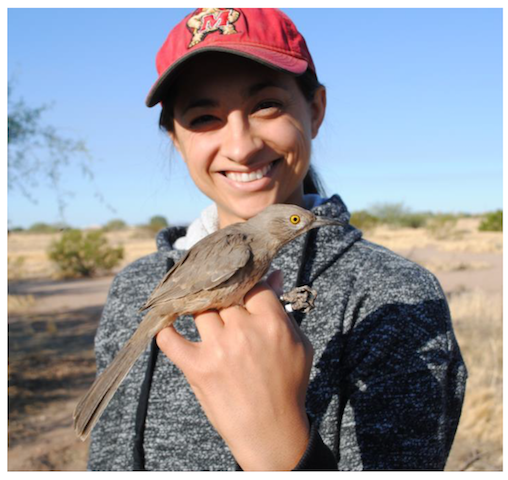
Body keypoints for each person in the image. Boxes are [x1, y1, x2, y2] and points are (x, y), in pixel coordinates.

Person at [87, 8, 467, 471]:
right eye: (205, 115)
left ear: (317, 109)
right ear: (173, 136)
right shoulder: (133, 285)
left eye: (266, 105)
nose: (241, 146)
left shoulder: (394, 292)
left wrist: (277, 440)